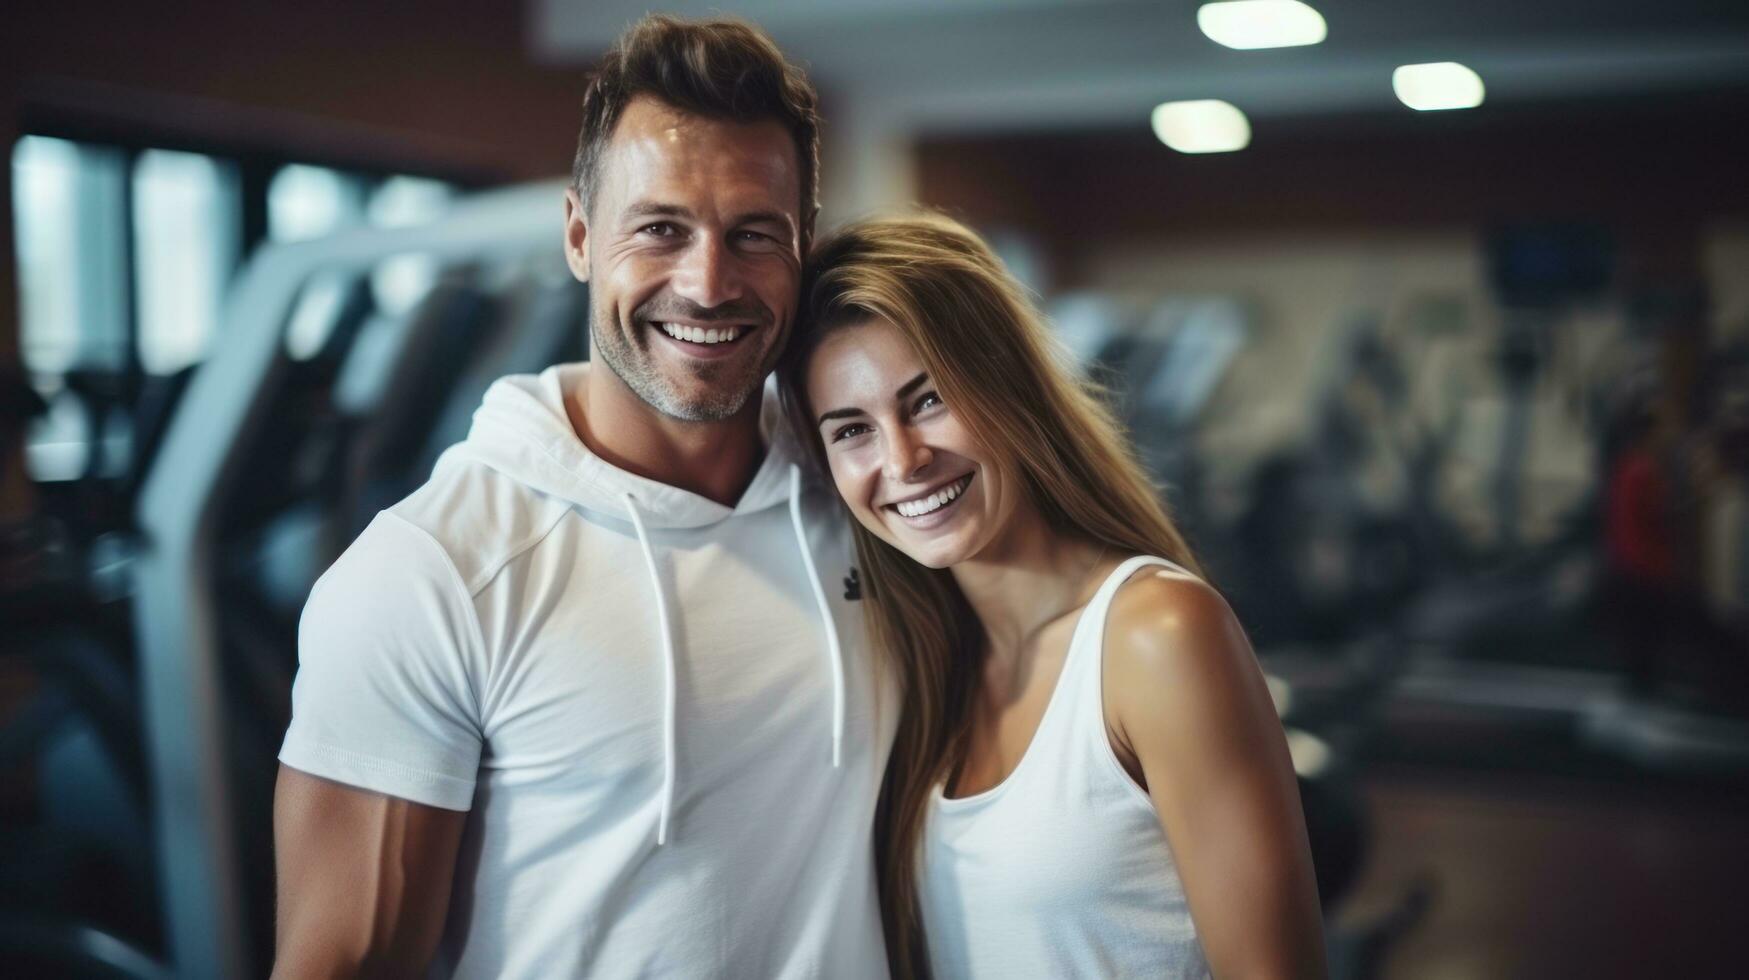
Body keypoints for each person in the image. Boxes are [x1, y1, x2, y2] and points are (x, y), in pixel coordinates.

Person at [272, 16, 894, 978]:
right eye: (660, 229)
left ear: (803, 248)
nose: (707, 281)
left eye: (753, 235)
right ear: (578, 236)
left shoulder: (872, 501)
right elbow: (348, 962)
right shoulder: (431, 574)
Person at [779, 214, 1327, 979]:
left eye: (928, 399)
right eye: (851, 431)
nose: (901, 460)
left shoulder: (1155, 634)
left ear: (1008, 386)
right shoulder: (927, 672)